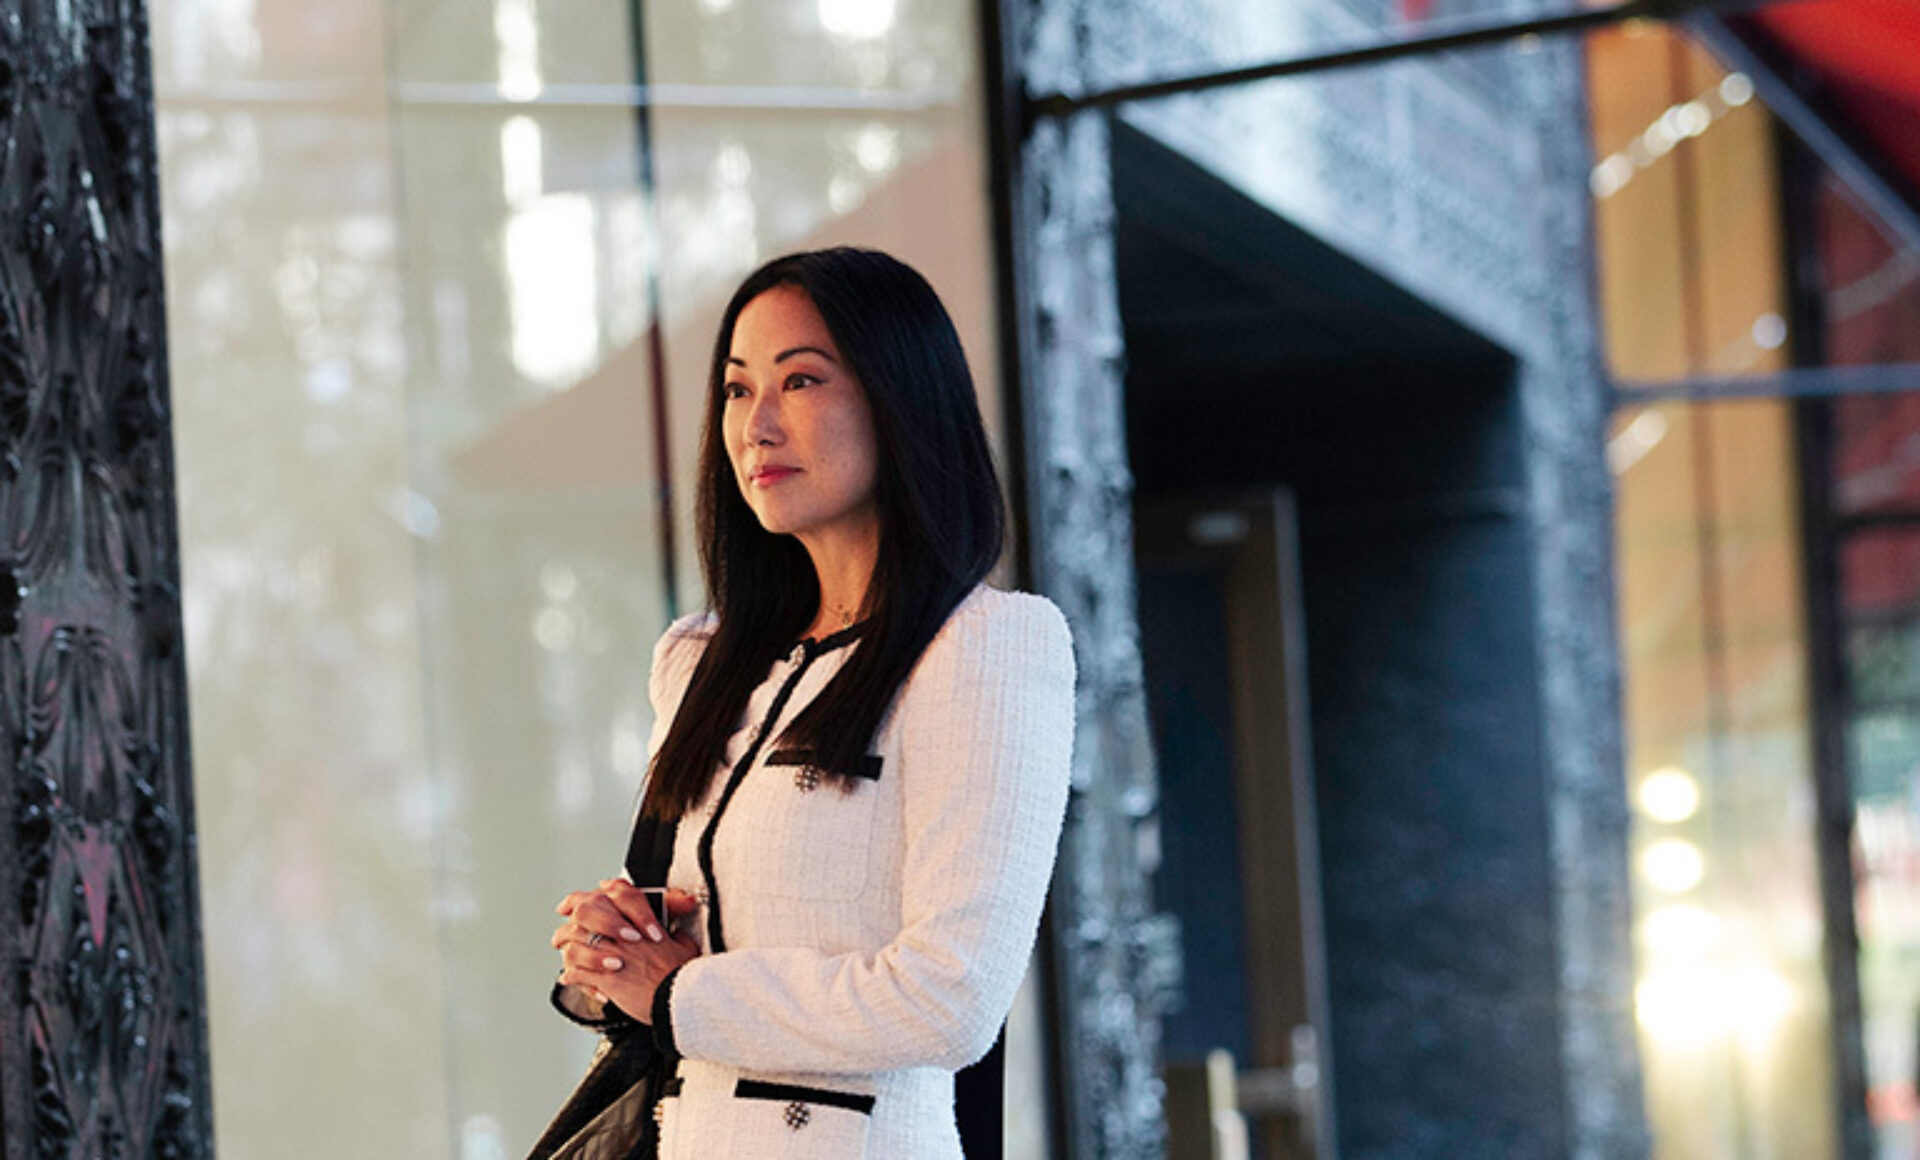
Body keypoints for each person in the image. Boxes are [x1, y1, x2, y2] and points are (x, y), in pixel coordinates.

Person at [547, 246, 1076, 1158]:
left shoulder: (985, 645)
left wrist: (679, 995)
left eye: (800, 381)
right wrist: (612, 953)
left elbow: (952, 998)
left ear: (898, 398)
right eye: (736, 389)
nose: (757, 425)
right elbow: (684, 949)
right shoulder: (699, 660)